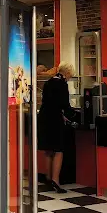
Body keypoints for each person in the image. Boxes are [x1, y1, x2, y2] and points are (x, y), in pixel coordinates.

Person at [37, 62, 76, 194]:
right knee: (59, 150)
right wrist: (72, 115)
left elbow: (47, 102)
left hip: (44, 118)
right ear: (68, 73)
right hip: (54, 120)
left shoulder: (48, 82)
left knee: (48, 149)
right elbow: (64, 104)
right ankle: (56, 180)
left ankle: (48, 177)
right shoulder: (62, 83)